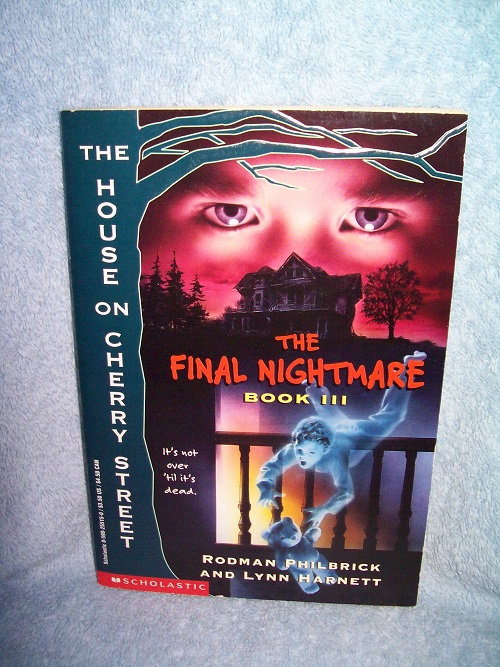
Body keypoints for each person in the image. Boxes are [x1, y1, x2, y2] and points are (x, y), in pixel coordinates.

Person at [257, 351, 427, 528]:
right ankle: (313, 384)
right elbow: (270, 467)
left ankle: (408, 368)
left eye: (311, 452)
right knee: (328, 410)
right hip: (336, 427)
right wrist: (265, 486)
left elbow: (346, 491)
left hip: (359, 432)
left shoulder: (334, 458)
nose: (302, 456)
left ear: (325, 450)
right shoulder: (297, 448)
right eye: (300, 450)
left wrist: (325, 509)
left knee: (393, 415)